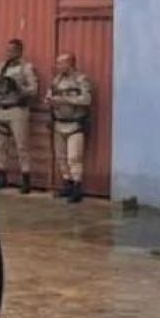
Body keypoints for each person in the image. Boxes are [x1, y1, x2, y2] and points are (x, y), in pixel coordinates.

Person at [0, 39, 38, 194]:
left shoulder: (26, 68)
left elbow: (34, 90)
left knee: (22, 145)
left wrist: (18, 85)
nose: (9, 53)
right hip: (1, 109)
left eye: (13, 50)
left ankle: (26, 179)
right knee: (1, 145)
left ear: (20, 52)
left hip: (18, 109)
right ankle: (1, 176)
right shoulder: (2, 67)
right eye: (7, 50)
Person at [45, 52, 93, 204]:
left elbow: (86, 100)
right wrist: (49, 101)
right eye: (57, 63)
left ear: (70, 63)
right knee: (61, 157)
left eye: (61, 63)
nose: (58, 66)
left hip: (75, 123)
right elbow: (50, 96)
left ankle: (77, 187)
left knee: (74, 157)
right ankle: (67, 184)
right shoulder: (56, 81)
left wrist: (64, 99)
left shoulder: (81, 80)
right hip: (59, 122)